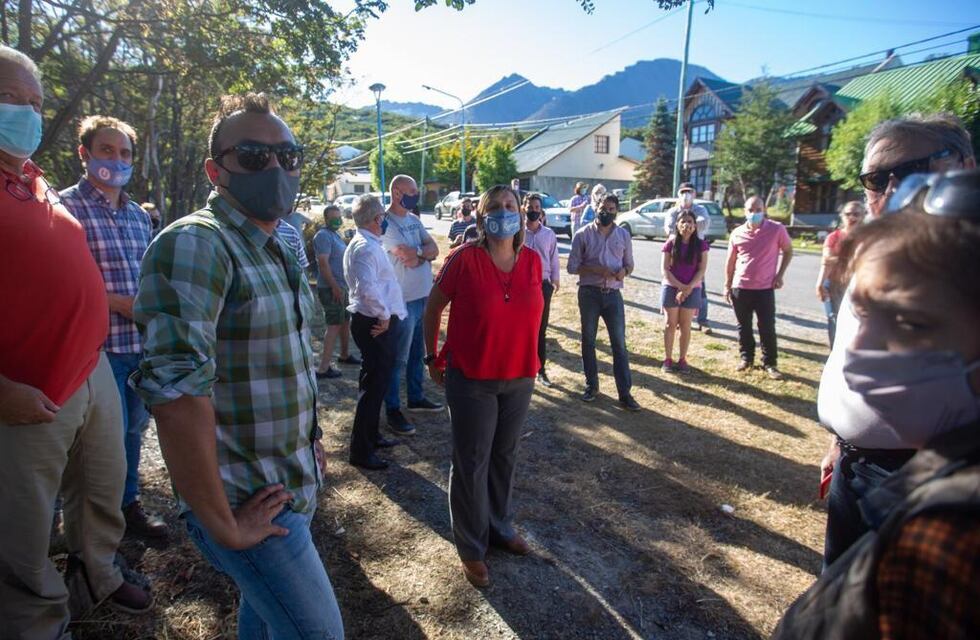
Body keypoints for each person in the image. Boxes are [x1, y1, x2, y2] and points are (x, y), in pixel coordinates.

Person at [132, 93, 344, 639]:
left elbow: (278, 361)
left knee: (266, 623)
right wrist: (222, 525)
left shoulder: (277, 243)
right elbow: (177, 399)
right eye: (253, 156)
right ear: (215, 170)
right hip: (245, 498)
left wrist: (309, 438)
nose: (275, 167)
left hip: (289, 482)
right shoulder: (196, 244)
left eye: (287, 156)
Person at [773, 168, 980, 639]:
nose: (860, 348)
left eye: (910, 323)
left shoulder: (952, 540)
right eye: (863, 311)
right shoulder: (938, 485)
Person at [0, 45, 150, 639]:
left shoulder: (32, 181)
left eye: (35, 102)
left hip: (91, 367)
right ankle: (36, 622)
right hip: (28, 388)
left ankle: (98, 574)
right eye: (9, 98)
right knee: (24, 522)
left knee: (102, 486)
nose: (26, 113)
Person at [816, 113, 975, 568]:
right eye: (875, 179)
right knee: (840, 591)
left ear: (964, 166)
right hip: (855, 467)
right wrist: (840, 440)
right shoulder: (877, 249)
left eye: (909, 171)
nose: (889, 191)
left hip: (928, 482)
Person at [422, 185, 543, 588]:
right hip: (472, 378)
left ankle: (500, 527)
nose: (504, 212)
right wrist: (431, 357)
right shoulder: (464, 259)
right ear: (481, 216)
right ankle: (471, 547)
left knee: (504, 456)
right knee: (472, 461)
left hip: (519, 376)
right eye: (495, 207)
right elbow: (433, 308)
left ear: (521, 214)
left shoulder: (533, 261)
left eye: (510, 206)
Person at [60, 115, 168, 539]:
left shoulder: (139, 216)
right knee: (95, 446)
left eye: (124, 153)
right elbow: (59, 283)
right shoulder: (63, 208)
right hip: (94, 351)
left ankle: (126, 506)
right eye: (106, 150)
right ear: (84, 154)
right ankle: (88, 532)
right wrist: (117, 303)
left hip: (138, 347)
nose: (117, 160)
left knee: (131, 434)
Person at [344, 195, 406, 470]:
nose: (385, 220)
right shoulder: (366, 248)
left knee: (376, 383)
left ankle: (371, 435)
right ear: (375, 219)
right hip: (375, 322)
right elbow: (367, 289)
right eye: (382, 216)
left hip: (375, 320)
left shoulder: (367, 243)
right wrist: (383, 315)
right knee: (372, 387)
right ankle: (361, 450)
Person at [382, 174, 443, 435]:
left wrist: (419, 253)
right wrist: (421, 254)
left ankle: (416, 398)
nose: (416, 196)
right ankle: (392, 408)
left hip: (422, 297)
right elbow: (404, 255)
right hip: (401, 301)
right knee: (398, 358)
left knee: (418, 353)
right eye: (412, 192)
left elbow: (434, 249)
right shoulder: (385, 222)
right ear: (396, 192)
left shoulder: (414, 220)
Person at [567, 193, 640, 411]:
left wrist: (624, 271)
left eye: (610, 209)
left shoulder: (623, 235)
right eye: (602, 208)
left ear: (616, 211)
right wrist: (595, 269)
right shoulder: (582, 234)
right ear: (596, 208)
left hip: (613, 295)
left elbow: (630, 264)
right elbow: (571, 267)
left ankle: (624, 393)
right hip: (589, 293)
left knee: (619, 344)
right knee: (588, 340)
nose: (606, 212)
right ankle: (591, 385)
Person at [723, 195, 793, 380]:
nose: (754, 213)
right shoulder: (737, 233)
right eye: (751, 210)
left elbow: (788, 251)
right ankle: (746, 358)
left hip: (764, 288)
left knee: (767, 326)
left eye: (758, 210)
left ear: (764, 210)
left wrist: (780, 275)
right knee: (743, 326)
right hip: (741, 287)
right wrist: (727, 285)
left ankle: (770, 363)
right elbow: (730, 261)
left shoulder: (776, 229)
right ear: (745, 211)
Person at [313, 204, 359, 379]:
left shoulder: (335, 235)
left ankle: (344, 355)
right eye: (333, 217)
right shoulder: (323, 236)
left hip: (342, 286)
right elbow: (323, 264)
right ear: (326, 219)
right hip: (331, 288)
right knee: (334, 325)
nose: (337, 220)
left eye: (339, 217)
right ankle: (323, 368)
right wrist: (334, 286)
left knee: (345, 321)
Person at [661, 210, 710, 373]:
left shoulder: (701, 245)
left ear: (695, 226)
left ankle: (682, 359)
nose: (686, 225)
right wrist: (680, 286)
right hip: (671, 286)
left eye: (690, 221)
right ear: (677, 224)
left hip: (692, 288)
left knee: (685, 325)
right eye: (683, 221)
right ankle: (668, 359)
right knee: (670, 323)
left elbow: (702, 269)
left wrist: (688, 288)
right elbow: (665, 270)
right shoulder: (670, 243)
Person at [664, 182, 713, 334]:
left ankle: (702, 320)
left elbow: (704, 223)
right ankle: (677, 318)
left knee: (699, 285)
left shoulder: (700, 210)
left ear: (694, 194)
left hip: (695, 253)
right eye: (683, 192)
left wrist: (688, 222)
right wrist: (683, 227)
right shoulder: (673, 211)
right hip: (677, 252)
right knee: (673, 284)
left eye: (689, 192)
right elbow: (669, 229)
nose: (686, 195)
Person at [814, 200, 865, 346]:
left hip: (857, 287)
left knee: (856, 322)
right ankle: (834, 351)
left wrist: (839, 258)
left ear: (863, 216)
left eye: (856, 214)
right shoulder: (833, 237)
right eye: (848, 214)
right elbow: (826, 260)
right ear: (842, 216)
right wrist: (819, 284)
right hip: (833, 285)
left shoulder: (867, 238)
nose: (852, 217)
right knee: (834, 319)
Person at [523, 192, 560, 387]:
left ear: (541, 210)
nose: (533, 210)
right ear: (524, 208)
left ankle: (541, 370)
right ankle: (520, 367)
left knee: (540, 328)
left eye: (537, 208)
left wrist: (555, 279)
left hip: (543, 285)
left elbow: (554, 258)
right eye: (530, 207)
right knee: (520, 328)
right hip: (521, 285)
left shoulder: (549, 234)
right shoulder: (517, 233)